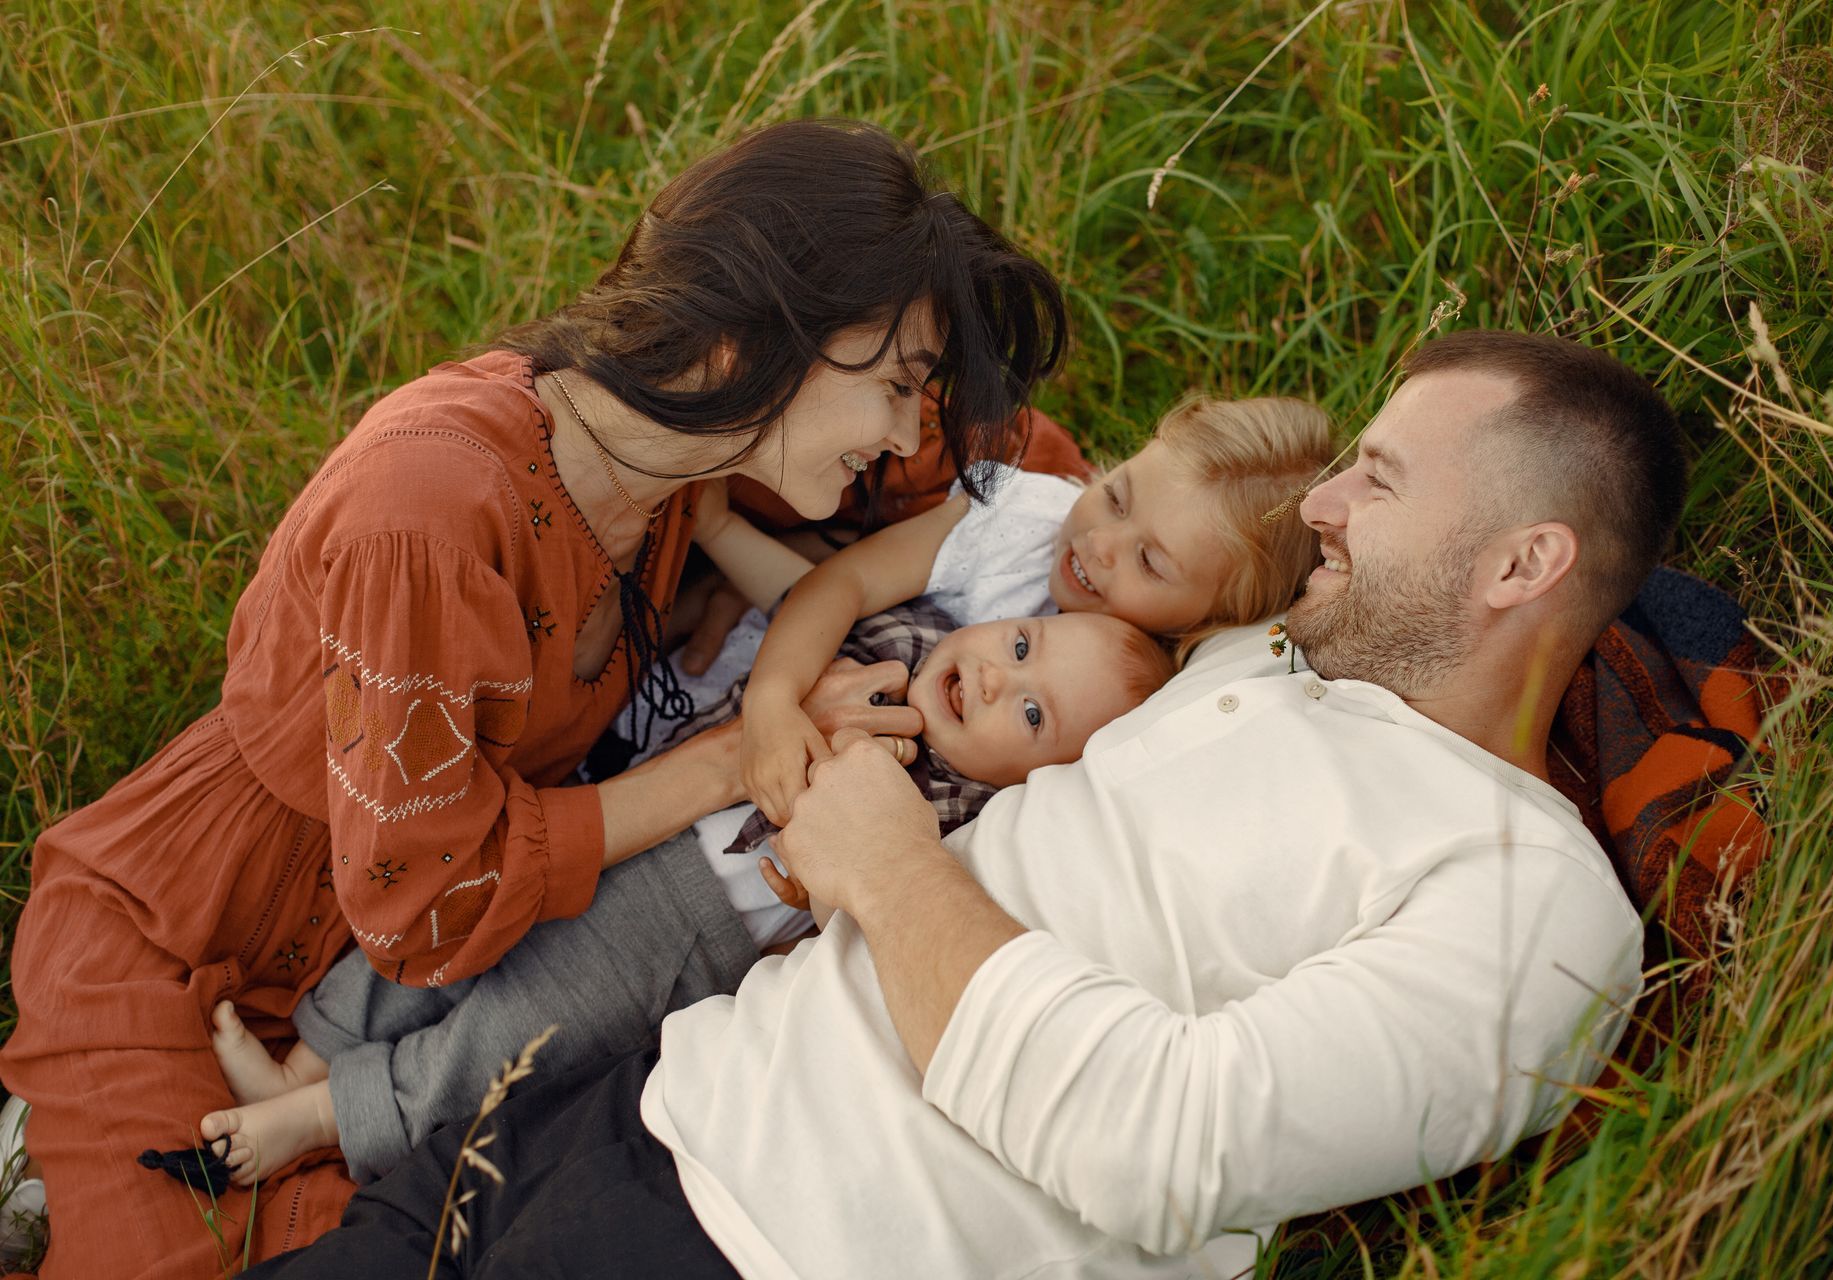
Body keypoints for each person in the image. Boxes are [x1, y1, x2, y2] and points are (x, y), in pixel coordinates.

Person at [244, 328, 1680, 1280]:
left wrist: (886, 865)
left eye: (1376, 479)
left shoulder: (1525, 904)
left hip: (779, 1244)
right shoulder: (1255, 655)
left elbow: (1168, 1147)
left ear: (1518, 564)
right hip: (633, 1097)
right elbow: (1077, 544)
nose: (1322, 507)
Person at [0, 117, 1066, 1279]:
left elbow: (1047, 484)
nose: (913, 429)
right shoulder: (430, 505)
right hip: (200, 935)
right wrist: (733, 755)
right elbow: (424, 901)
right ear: (761, 332)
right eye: (902, 384)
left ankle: (58, 1182)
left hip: (415, 1009)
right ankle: (52, 1154)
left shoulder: (692, 457)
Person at [196, 597, 1175, 1189]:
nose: (1003, 679)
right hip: (637, 812)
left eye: (1036, 711)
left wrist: (829, 887)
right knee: (471, 914)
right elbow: (817, 596)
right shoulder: (905, 640)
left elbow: (859, 935)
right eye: (1024, 642)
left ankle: (328, 1119)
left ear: (1033, 781)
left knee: (513, 1030)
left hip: (691, 929)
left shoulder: (953, 819)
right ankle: (309, 1055)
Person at [739, 394, 1334, 822]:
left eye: (1150, 562)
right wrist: (771, 698)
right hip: (777, 670)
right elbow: (845, 582)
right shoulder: (1024, 521)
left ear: (1208, 620)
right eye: (1116, 497)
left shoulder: (1136, 707)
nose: (1100, 544)